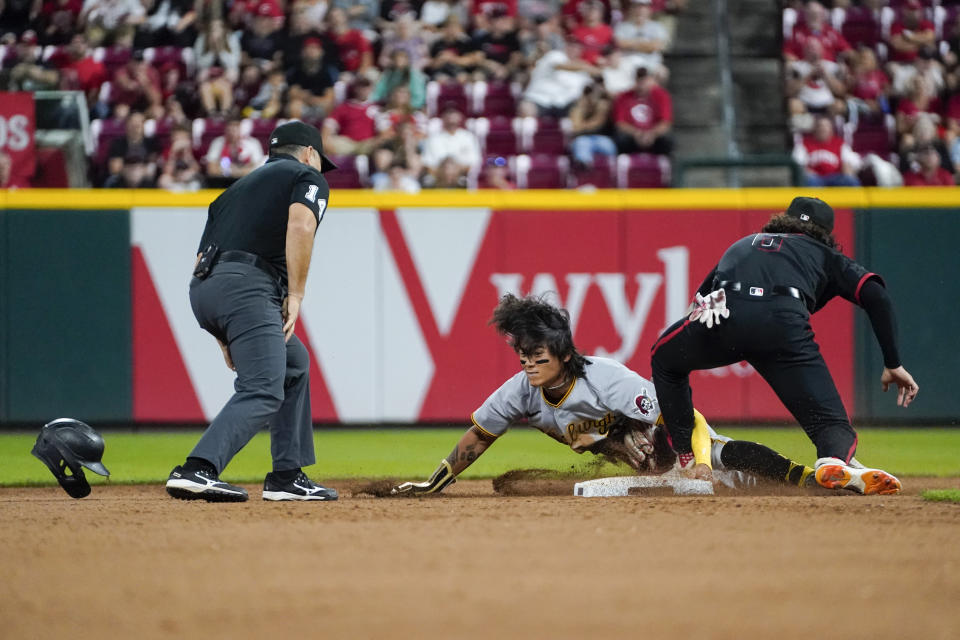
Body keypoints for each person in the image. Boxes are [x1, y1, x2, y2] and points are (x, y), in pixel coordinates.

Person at [391, 294, 819, 496]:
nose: (527, 364)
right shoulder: (520, 392)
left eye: (537, 356)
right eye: (522, 356)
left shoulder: (606, 378)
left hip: (673, 445)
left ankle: (808, 478)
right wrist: (434, 483)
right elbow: (479, 436)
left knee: (725, 455)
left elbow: (689, 418)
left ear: (562, 352)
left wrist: (699, 463)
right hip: (643, 466)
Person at [650, 197, 920, 496]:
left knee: (665, 358)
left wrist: (691, 340)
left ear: (781, 219)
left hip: (726, 314)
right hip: (782, 324)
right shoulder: (824, 253)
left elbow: (695, 305)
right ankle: (833, 459)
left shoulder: (745, 243)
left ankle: (686, 457)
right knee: (830, 424)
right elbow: (876, 296)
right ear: (825, 233)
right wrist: (893, 362)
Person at [165, 120, 339, 503]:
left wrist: (220, 334)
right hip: (247, 286)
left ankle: (286, 476)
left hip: (206, 289)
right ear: (309, 153)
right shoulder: (306, 176)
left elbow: (200, 259)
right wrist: (296, 294)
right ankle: (198, 469)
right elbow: (300, 225)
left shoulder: (233, 190)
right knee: (262, 388)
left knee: (294, 364)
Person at [792, 115, 861, 187]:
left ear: (831, 129)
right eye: (820, 126)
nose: (823, 128)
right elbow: (799, 163)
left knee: (851, 181)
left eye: (826, 126)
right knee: (810, 180)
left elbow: (849, 162)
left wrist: (848, 172)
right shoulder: (804, 143)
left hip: (835, 177)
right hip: (815, 178)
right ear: (815, 128)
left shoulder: (840, 143)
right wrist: (806, 171)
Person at [203, 115, 265, 186]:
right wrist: (230, 171)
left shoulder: (253, 143)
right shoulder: (218, 142)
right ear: (225, 130)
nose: (232, 133)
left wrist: (237, 171)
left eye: (235, 130)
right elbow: (211, 169)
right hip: (222, 182)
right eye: (229, 130)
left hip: (247, 182)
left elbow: (258, 168)